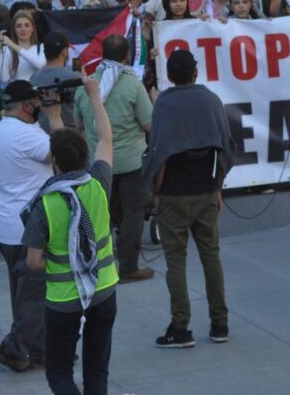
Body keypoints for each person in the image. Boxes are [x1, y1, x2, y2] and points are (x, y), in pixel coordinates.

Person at [24, 75, 118, 395]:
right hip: (104, 288)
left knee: (61, 374)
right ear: (84, 155)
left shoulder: (45, 205)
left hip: (64, 300)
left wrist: (52, 117)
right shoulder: (98, 183)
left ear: (55, 164)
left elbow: (34, 262)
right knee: (96, 373)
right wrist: (94, 97)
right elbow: (106, 140)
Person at [144, 49, 235, 348]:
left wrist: (156, 193)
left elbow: (160, 154)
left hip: (173, 193)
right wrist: (218, 188)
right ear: (195, 72)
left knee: (176, 261)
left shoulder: (165, 104)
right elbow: (224, 148)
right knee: (211, 255)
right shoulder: (210, 99)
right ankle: (219, 323)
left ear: (170, 75)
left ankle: (180, 326)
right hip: (207, 189)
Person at [0, 80, 61, 372]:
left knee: (24, 296)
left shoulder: (2, 129)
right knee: (33, 298)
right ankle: (15, 349)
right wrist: (55, 117)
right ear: (28, 104)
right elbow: (63, 154)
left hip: (6, 225)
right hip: (27, 228)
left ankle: (39, 350)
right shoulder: (25, 135)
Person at [74, 35, 154, 284]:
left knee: (100, 215)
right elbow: (149, 124)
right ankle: (128, 267)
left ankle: (99, 268)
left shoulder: (85, 87)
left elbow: (78, 126)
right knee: (133, 213)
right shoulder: (133, 85)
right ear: (127, 56)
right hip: (131, 162)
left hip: (98, 164)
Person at [29, 32, 78, 132]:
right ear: (64, 52)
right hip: (70, 137)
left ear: (44, 51)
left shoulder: (34, 78)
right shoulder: (75, 78)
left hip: (42, 135)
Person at [0, 9, 46, 83]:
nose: (23, 29)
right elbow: (3, 79)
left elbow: (40, 65)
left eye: (27, 25)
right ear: (14, 29)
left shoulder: (41, 47)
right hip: (17, 92)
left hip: (36, 93)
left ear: (32, 28)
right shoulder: (8, 50)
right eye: (19, 26)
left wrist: (12, 44)